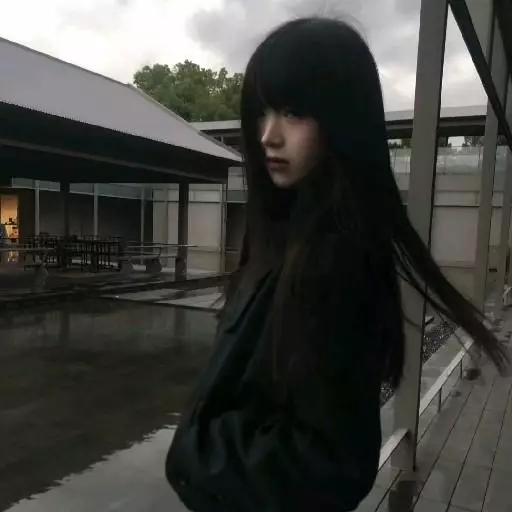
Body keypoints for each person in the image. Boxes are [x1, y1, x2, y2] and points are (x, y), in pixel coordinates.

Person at [166, 17, 509, 511]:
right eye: (262, 112)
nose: (268, 135)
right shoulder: (288, 238)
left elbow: (331, 461)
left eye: (293, 113)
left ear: (341, 123)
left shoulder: (334, 262)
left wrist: (192, 449)